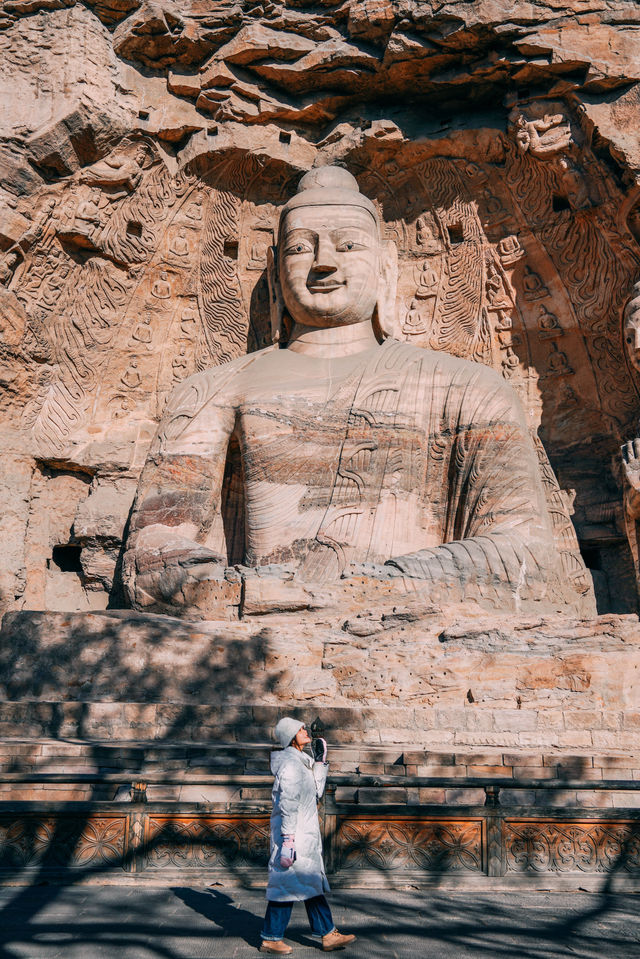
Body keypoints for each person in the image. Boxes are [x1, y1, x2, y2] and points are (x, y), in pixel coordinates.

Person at [260, 717, 356, 954]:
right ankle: (272, 937)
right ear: (291, 736)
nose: (306, 731)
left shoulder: (301, 761)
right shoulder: (291, 765)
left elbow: (316, 792)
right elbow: (288, 803)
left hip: (304, 835)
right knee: (288, 885)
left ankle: (327, 934)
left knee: (307, 884)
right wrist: (288, 840)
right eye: (300, 729)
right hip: (295, 835)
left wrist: (321, 763)